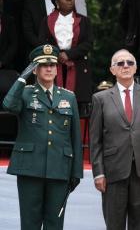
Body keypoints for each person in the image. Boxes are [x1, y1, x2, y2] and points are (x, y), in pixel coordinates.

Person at [2, 44, 83, 229]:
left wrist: (76, 172)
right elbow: (8, 105)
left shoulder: (68, 97)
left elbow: (75, 138)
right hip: (30, 168)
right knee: (30, 223)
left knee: (55, 223)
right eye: (43, 65)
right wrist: (22, 77)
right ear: (35, 69)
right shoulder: (25, 93)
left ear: (56, 69)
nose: (48, 68)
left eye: (52, 65)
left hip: (59, 168)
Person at [89, 49, 140, 230]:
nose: (125, 66)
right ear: (112, 70)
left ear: (136, 67)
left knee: (139, 224)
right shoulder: (100, 98)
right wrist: (98, 172)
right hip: (113, 171)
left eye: (130, 62)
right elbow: (95, 140)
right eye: (120, 63)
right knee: (114, 224)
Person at [38, 0, 93, 110]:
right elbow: (42, 42)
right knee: (51, 104)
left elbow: (88, 43)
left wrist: (69, 54)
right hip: (53, 65)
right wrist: (56, 54)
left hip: (77, 65)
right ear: (56, 1)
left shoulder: (84, 21)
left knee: (77, 108)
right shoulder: (46, 20)